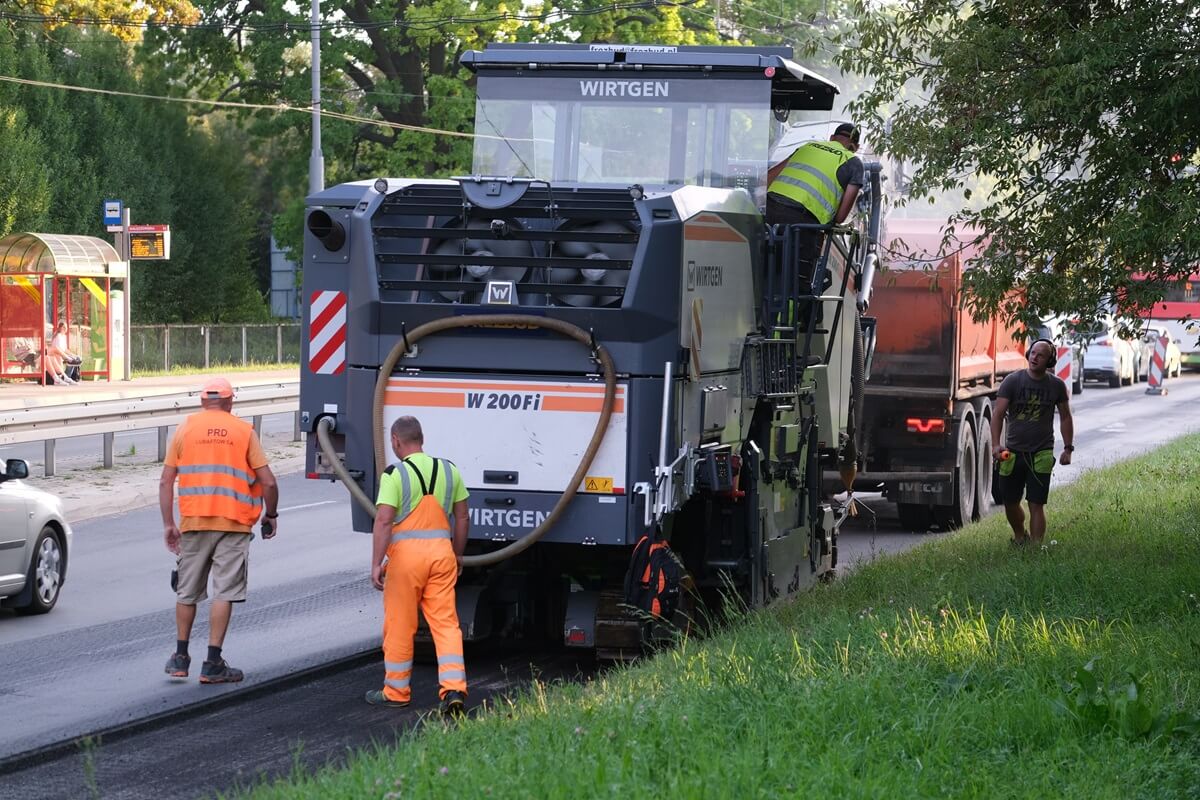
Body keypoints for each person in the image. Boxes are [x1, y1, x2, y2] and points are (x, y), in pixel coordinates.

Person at [159, 377, 279, 683]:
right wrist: (271, 514)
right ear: (230, 403)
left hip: (193, 522)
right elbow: (268, 482)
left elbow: (165, 481)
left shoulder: (185, 429)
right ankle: (212, 663)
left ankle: (180, 657)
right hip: (234, 524)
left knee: (187, 591)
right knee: (224, 591)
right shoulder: (243, 431)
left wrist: (169, 525)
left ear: (202, 402)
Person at [368, 416, 469, 716]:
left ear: (396, 441)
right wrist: (458, 555)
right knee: (446, 624)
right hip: (442, 557)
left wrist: (376, 563)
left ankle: (396, 691)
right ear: (421, 439)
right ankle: (454, 689)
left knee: (400, 624)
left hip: (406, 561)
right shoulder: (450, 471)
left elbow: (384, 520)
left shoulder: (394, 475)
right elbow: (462, 517)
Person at [990, 339, 1074, 546]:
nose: (1035, 358)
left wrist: (1068, 448)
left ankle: (1036, 548)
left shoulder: (1056, 386)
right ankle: (1020, 536)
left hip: (1042, 452)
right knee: (1010, 502)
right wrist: (995, 445)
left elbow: (1065, 417)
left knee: (1036, 503)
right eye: (1033, 353)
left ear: (1050, 361)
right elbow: (998, 415)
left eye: (1041, 355)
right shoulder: (1013, 381)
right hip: (1013, 452)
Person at [765, 122, 865, 284]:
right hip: (802, 227)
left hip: (769, 215)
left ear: (832, 138)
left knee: (764, 276)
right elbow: (840, 217)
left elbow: (768, 179)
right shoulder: (853, 162)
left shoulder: (807, 147)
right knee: (796, 288)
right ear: (856, 147)